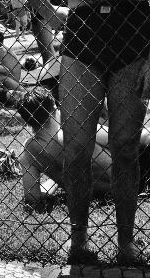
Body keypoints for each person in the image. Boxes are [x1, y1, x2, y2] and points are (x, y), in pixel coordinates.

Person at [11, 0, 150, 264]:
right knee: (75, 146)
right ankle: (78, 240)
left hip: (133, 35)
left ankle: (126, 242)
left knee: (127, 145)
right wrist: (47, 12)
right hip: (82, 36)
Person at [17, 87, 150, 213]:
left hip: (98, 194)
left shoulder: (29, 151)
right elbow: (139, 138)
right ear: (54, 107)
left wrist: (56, 180)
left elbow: (32, 197)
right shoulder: (74, 128)